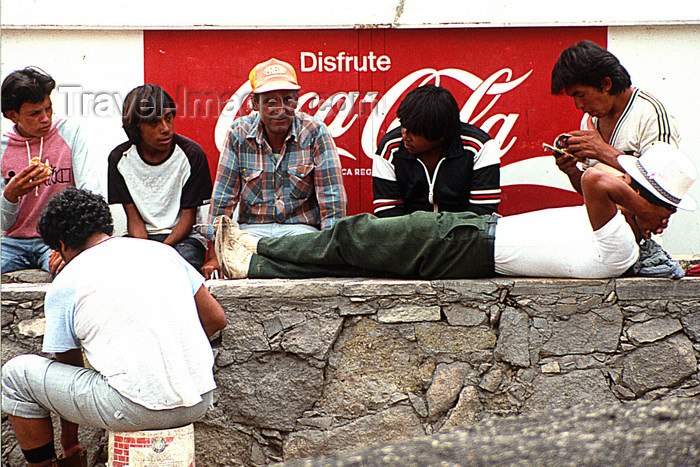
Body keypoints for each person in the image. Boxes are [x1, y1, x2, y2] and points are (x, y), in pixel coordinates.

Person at [211, 142, 695, 281]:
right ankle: (254, 263)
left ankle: (255, 249)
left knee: (355, 236)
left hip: (469, 243)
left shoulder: (623, 245)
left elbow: (596, 179)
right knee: (355, 256)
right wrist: (640, 200)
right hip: (473, 236)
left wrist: (642, 204)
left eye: (633, 186)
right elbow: (589, 182)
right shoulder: (616, 231)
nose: (623, 183)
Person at [1, 187, 226, 467]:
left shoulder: (67, 281)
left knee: (15, 375)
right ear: (105, 225)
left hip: (133, 408)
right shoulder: (163, 253)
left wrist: (70, 444)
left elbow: (70, 367)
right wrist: (169, 346)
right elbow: (216, 318)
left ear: (60, 244)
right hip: (199, 398)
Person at [202, 58, 347, 279]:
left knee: (305, 260)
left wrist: (329, 254)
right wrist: (215, 255)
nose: (281, 110)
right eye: (270, 101)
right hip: (251, 234)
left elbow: (332, 198)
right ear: (254, 104)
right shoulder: (238, 133)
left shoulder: (315, 132)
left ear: (297, 101)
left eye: (288, 100)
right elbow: (224, 197)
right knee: (238, 261)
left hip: (299, 232)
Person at [1, 66, 101, 274]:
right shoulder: (3, 147)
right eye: (35, 113)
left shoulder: (70, 133)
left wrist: (70, 240)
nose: (46, 118)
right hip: (11, 242)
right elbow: (4, 223)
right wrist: (10, 195)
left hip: (58, 240)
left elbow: (91, 193)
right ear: (13, 115)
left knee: (74, 273)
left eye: (48, 108)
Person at [550, 40, 681, 194]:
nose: (578, 105)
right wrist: (571, 170)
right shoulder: (590, 120)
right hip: (608, 218)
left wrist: (602, 150)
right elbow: (593, 195)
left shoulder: (651, 115)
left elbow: (662, 184)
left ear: (606, 84)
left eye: (581, 95)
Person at [108, 84, 212, 272]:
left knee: (179, 265)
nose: (165, 129)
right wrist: (148, 252)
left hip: (183, 239)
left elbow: (188, 219)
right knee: (119, 267)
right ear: (136, 126)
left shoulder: (191, 155)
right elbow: (133, 218)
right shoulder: (120, 159)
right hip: (141, 240)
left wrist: (162, 252)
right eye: (154, 123)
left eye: (169, 118)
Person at [372, 85, 500, 217]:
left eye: (414, 132)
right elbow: (388, 216)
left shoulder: (478, 147)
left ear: (440, 135)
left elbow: (482, 215)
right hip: (407, 236)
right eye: (403, 124)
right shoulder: (390, 148)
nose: (405, 135)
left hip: (464, 235)